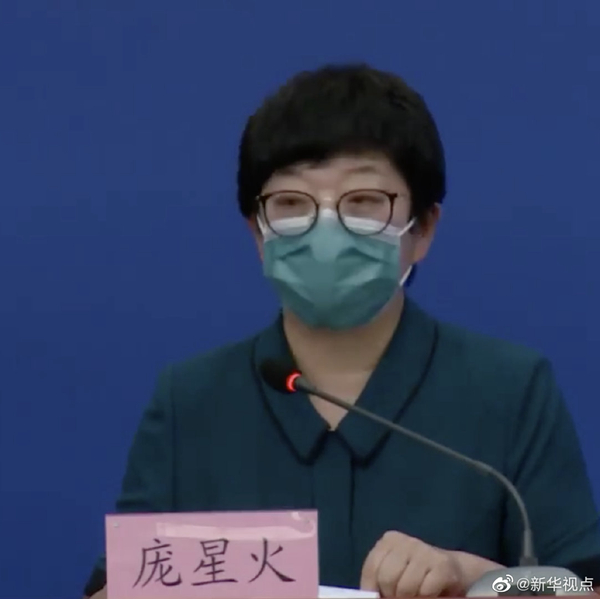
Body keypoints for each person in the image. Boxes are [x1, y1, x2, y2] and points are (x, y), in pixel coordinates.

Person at [84, 64, 600, 599]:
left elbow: (582, 584)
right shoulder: (190, 401)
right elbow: (116, 588)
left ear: (423, 229)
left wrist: (477, 578)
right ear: (258, 233)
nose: (326, 229)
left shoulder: (509, 389)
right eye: (290, 204)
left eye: (364, 202)